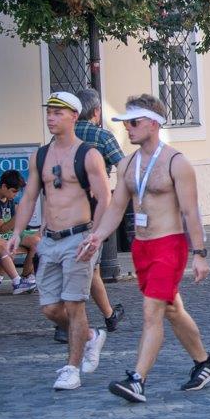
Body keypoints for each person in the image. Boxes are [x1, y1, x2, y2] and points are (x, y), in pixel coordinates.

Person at [77, 94, 210, 402]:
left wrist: (199, 254)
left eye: (134, 122)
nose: (127, 128)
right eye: (126, 122)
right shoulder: (127, 164)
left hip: (169, 245)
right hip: (142, 247)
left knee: (152, 310)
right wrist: (96, 237)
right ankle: (204, 363)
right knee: (172, 309)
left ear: (154, 124)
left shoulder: (176, 162)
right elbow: (116, 207)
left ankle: (137, 379)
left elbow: (191, 211)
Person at [6, 93, 110, 391]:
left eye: (57, 113)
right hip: (49, 241)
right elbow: (28, 198)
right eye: (49, 112)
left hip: (78, 238)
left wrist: (95, 235)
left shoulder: (88, 154)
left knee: (73, 305)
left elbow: (105, 198)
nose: (51, 117)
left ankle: (72, 368)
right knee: (50, 309)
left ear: (74, 116)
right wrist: (17, 234)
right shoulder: (40, 155)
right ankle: (90, 337)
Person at [73, 88, 125, 335]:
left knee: (90, 265)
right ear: (96, 111)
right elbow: (122, 165)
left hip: (68, 206)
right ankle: (70, 322)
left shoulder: (63, 137)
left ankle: (109, 315)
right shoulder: (103, 136)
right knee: (84, 263)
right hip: (95, 206)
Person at [0, 171, 39, 294]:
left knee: (37, 241)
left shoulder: (9, 200)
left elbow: (14, 226)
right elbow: (2, 229)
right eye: (14, 191)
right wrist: (19, 215)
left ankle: (26, 276)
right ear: (4, 186)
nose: (15, 195)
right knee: (7, 245)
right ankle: (17, 282)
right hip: (1, 235)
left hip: (8, 234)